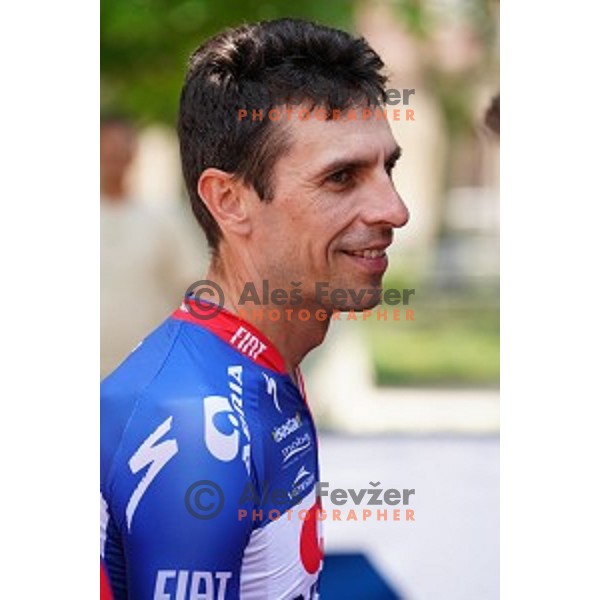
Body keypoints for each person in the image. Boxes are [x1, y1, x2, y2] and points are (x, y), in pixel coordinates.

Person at [101, 18, 409, 599]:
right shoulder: (202, 426)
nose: (395, 209)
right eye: (342, 177)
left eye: (387, 168)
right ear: (230, 201)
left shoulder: (261, 364)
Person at [100, 116, 207, 377]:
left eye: (121, 147)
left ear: (133, 153)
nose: (114, 155)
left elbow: (195, 288)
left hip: (146, 373)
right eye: (106, 147)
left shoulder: (164, 217)